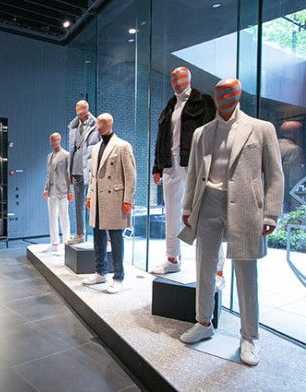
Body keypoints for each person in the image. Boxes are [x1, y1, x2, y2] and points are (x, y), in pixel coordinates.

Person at [178, 78, 283, 366]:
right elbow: (193, 173)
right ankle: (203, 322)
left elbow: (275, 174)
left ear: (237, 95)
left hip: (246, 206)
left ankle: (249, 336)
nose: (223, 98)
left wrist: (271, 213)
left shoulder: (261, 128)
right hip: (208, 202)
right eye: (219, 94)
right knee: (204, 264)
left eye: (229, 93)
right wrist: (187, 206)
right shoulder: (202, 132)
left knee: (246, 271)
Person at [151, 67, 225, 289]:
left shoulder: (204, 102)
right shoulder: (169, 106)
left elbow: (214, 133)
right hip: (170, 163)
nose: (176, 81)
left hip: (193, 161)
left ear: (189, 78)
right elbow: (161, 137)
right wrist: (157, 166)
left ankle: (217, 268)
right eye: (173, 78)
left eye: (180, 77)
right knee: (171, 212)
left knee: (202, 211)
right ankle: (172, 258)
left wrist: (212, 164)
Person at [82, 113, 136, 294]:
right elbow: (93, 175)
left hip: (115, 198)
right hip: (98, 197)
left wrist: (128, 199)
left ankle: (118, 277)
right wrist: (89, 196)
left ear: (110, 124)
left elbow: (131, 175)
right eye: (98, 123)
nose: (99, 126)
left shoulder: (122, 146)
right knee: (98, 236)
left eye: (102, 123)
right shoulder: (96, 148)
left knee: (116, 238)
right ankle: (100, 272)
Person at [67, 100, 99, 245]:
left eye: (82, 110)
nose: (80, 113)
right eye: (78, 110)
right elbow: (72, 149)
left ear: (87, 109)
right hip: (76, 170)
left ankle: (103, 235)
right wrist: (69, 169)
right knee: (78, 205)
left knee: (94, 203)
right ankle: (80, 234)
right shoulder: (73, 126)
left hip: (91, 170)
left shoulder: (96, 125)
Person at [43, 133, 72, 252]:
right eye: (51, 141)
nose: (52, 143)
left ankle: (66, 243)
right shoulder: (49, 156)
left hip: (63, 191)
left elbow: (70, 175)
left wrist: (70, 191)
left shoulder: (66, 155)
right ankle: (54, 243)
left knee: (64, 217)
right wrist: (45, 189)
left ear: (59, 140)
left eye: (54, 140)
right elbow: (48, 174)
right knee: (52, 217)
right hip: (51, 191)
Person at [278, 121, 303, 212]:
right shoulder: (293, 150)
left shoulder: (274, 145)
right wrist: (295, 208)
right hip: (285, 201)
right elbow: (293, 181)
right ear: (294, 134)